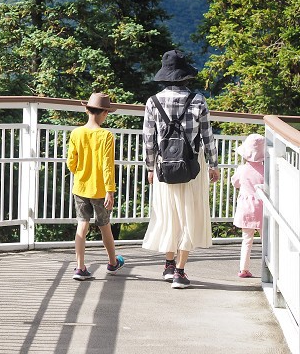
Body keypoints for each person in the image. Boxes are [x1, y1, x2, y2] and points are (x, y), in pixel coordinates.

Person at [142, 49, 220, 289]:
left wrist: (150, 168)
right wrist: (214, 165)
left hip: (163, 167)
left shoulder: (152, 102)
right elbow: (208, 137)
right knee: (188, 215)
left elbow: (148, 139)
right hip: (192, 167)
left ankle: (167, 265)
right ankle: (180, 271)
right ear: (185, 75)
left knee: (167, 214)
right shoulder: (198, 101)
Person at [67, 92, 125, 280]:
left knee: (82, 225)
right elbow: (108, 166)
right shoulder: (106, 136)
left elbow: (71, 163)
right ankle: (112, 263)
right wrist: (110, 191)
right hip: (100, 189)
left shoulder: (76, 133)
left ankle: (80, 267)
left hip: (81, 187)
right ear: (104, 113)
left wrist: (81, 171)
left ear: (87, 110)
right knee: (104, 226)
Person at [231, 133, 265, 278]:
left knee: (247, 240)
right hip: (262, 207)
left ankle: (243, 269)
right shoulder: (266, 170)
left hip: (246, 208)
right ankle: (269, 268)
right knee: (267, 241)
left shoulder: (242, 169)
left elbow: (235, 183)